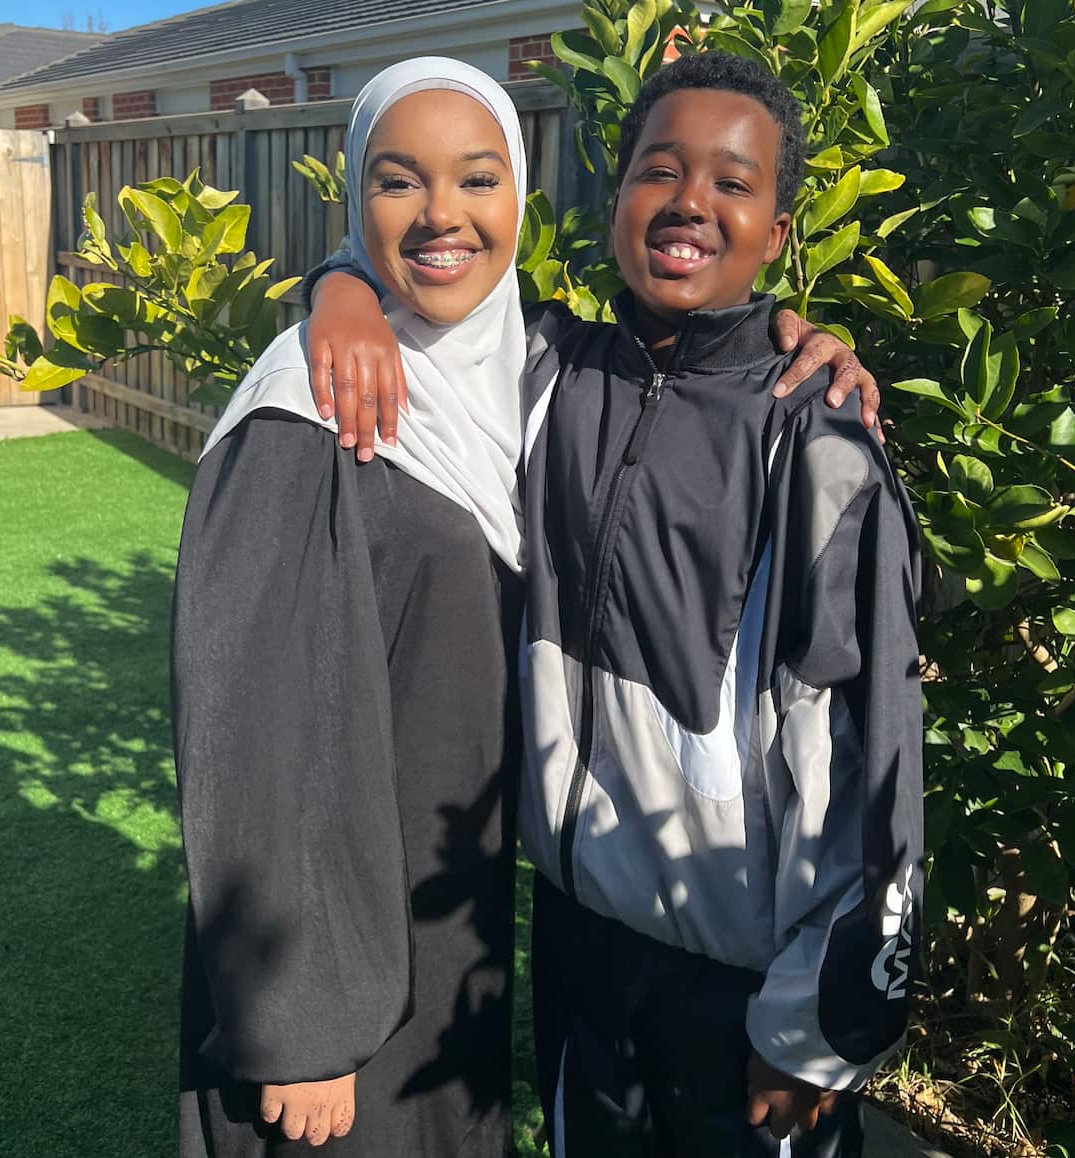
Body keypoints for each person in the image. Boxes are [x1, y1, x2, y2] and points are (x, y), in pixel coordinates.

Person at [303, 52, 922, 1158]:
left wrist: (815, 1034)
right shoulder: (542, 375)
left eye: (733, 184)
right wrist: (338, 289)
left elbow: (871, 759)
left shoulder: (814, 442)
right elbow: (423, 281)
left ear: (777, 233)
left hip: (740, 978)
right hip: (578, 942)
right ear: (615, 195)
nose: (690, 202)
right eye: (659, 170)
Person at [172, 59, 533, 1157]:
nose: (441, 216)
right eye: (395, 181)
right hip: (338, 967)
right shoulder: (306, 412)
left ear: (519, 195)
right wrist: (300, 1028)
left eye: (477, 179)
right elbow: (254, 730)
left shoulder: (513, 371)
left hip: (447, 917)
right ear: (354, 206)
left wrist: (806, 347)